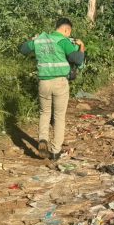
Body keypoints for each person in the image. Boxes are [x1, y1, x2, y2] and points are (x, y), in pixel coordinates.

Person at [20, 18, 85, 160]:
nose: (69, 35)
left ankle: (43, 140)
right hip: (60, 83)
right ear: (66, 29)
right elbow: (78, 60)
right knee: (59, 116)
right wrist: (81, 47)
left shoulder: (41, 40)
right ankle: (55, 151)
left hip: (44, 82)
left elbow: (23, 49)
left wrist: (32, 40)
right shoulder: (63, 41)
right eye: (69, 32)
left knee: (44, 113)